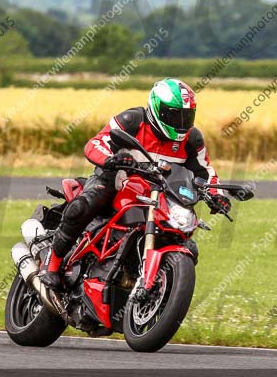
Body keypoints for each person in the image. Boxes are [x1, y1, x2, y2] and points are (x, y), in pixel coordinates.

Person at [39, 78, 231, 289]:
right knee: (83, 206)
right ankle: (53, 263)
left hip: (161, 193)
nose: (181, 122)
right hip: (117, 180)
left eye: (187, 116)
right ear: (157, 108)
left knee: (187, 245)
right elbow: (96, 142)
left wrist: (216, 194)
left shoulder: (192, 139)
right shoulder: (132, 120)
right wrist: (111, 159)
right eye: (175, 115)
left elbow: (205, 171)